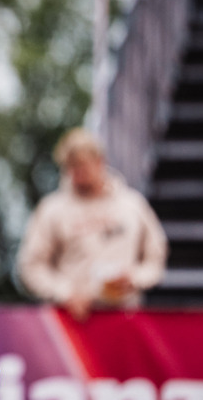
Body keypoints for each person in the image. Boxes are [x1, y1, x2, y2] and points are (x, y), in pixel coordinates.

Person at [17, 127, 168, 320]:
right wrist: (66, 293)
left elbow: (156, 257)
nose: (77, 173)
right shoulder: (51, 210)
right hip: (74, 324)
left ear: (100, 162)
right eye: (70, 167)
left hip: (127, 320)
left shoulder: (133, 205)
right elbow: (31, 267)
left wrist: (135, 278)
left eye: (82, 166)